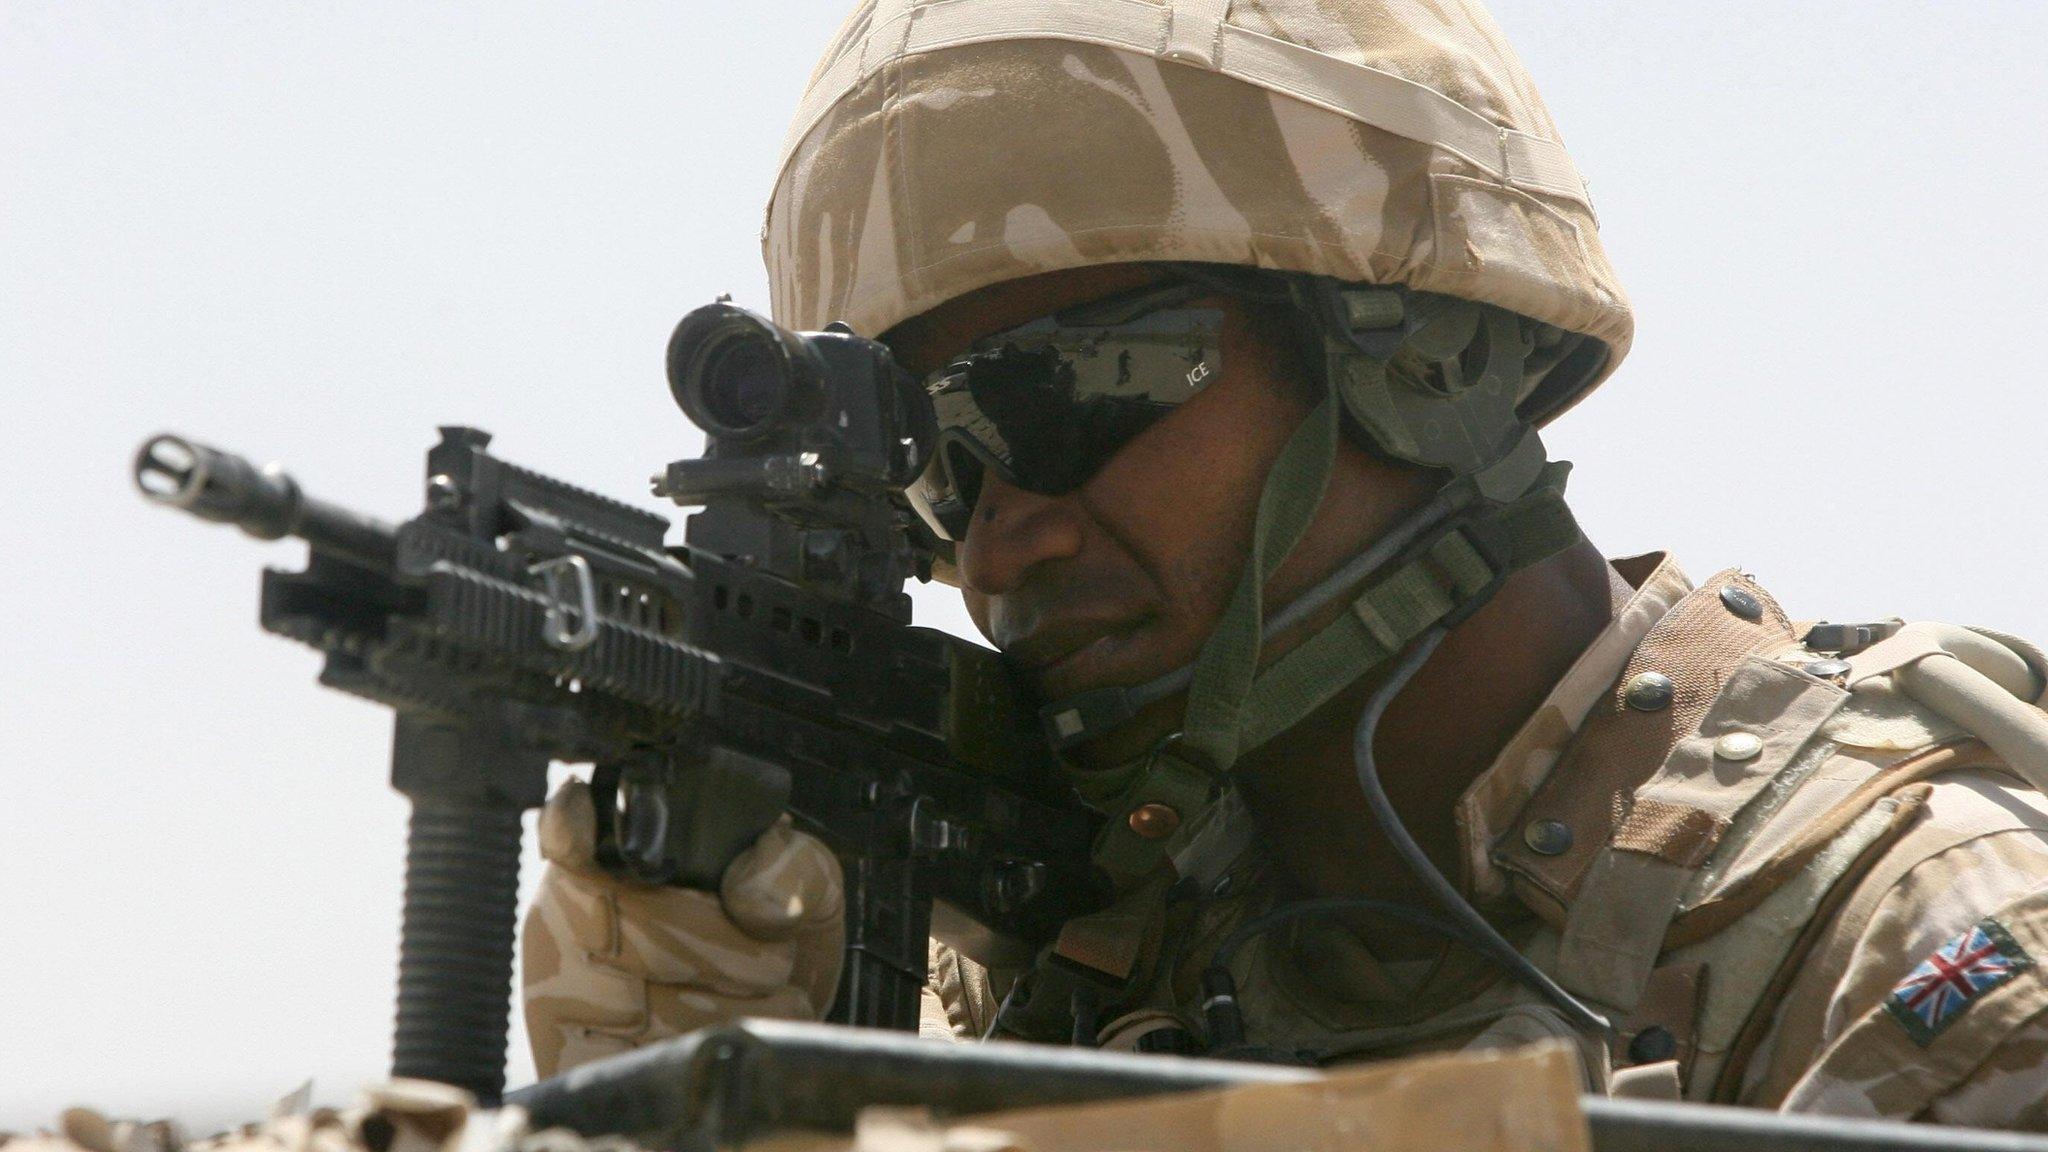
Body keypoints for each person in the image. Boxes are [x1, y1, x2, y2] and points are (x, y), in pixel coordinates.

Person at [520, 0, 2048, 1126]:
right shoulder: (1043, 994)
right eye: (935, 462)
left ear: (1418, 358)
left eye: (1073, 392)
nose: (1000, 532)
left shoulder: (1905, 936)